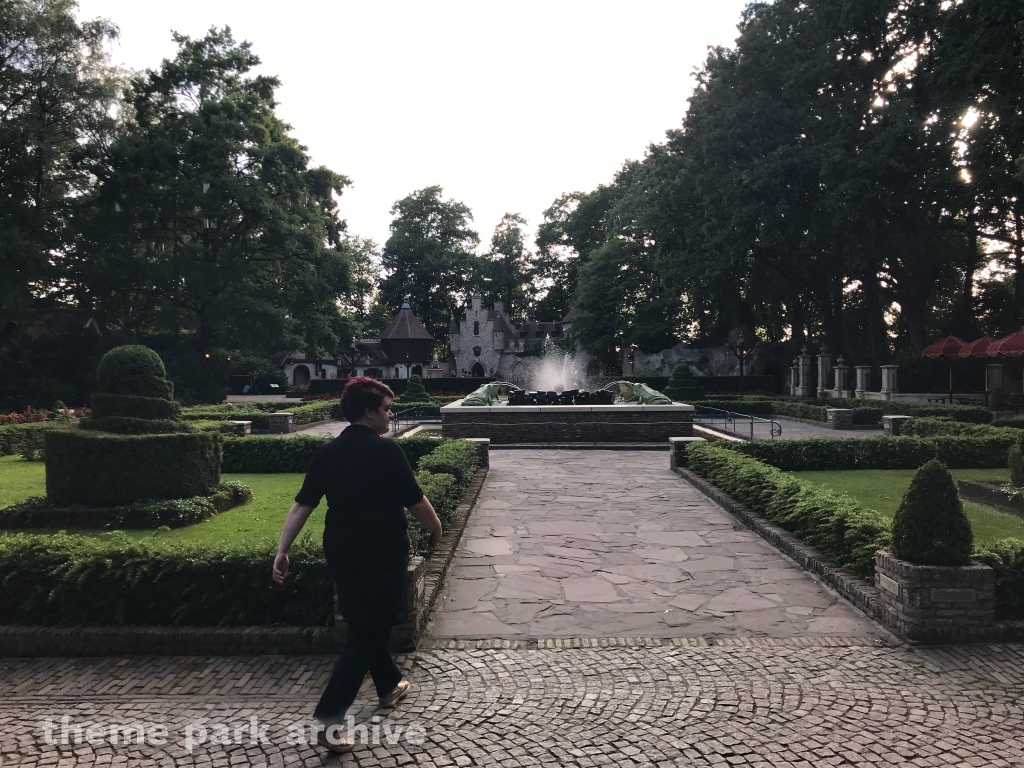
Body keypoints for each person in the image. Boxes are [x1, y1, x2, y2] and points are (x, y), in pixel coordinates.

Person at [273, 376, 443, 754]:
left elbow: (303, 504)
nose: (390, 414)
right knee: (367, 630)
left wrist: (282, 550)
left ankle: (388, 685)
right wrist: (437, 527)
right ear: (369, 412)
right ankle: (328, 719)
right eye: (385, 409)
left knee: (368, 619)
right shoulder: (388, 452)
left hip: (342, 549)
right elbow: (416, 501)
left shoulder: (327, 453)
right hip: (381, 550)